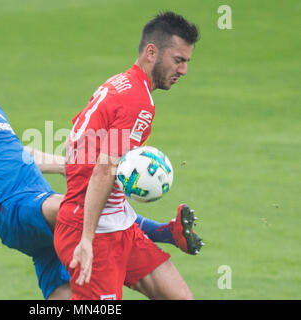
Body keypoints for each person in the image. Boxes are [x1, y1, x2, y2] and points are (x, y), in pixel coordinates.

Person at [0, 31, 201, 300]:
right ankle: (164, 231)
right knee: (78, 207)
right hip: (14, 209)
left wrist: (74, 166)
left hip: (42, 225)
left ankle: (163, 232)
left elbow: (20, 154)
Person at [54, 11, 201, 300]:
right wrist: (86, 239)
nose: (183, 70)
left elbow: (80, 146)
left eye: (186, 62)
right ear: (152, 52)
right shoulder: (138, 102)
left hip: (118, 224)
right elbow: (104, 169)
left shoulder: (120, 83)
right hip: (94, 232)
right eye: (178, 60)